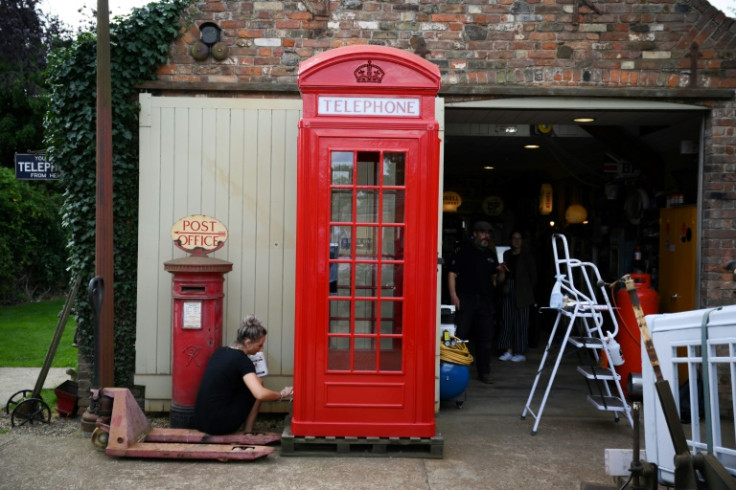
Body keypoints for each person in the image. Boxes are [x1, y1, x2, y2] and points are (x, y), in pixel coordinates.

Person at [194, 315, 293, 435]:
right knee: (258, 384)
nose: (261, 349)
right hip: (219, 426)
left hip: (200, 421)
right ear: (248, 343)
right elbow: (260, 394)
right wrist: (281, 395)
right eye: (259, 345)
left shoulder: (220, 352)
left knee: (254, 382)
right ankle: (248, 431)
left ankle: (248, 431)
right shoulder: (242, 360)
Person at [447, 220, 501, 384]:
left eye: (488, 233)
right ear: (475, 234)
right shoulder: (463, 252)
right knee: (460, 335)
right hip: (466, 299)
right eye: (483, 233)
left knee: (485, 338)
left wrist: (502, 272)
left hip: (485, 301)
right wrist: (453, 295)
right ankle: (452, 370)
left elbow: (495, 280)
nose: (486, 236)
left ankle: (484, 372)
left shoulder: (491, 255)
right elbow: (451, 274)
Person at [497, 231, 537, 363]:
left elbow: (533, 275)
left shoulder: (527, 255)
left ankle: (520, 352)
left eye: (519, 239)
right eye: (514, 238)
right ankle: (508, 350)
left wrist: (529, 290)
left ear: (522, 241)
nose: (516, 241)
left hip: (524, 291)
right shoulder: (507, 254)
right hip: (509, 288)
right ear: (510, 240)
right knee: (507, 319)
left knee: (521, 322)